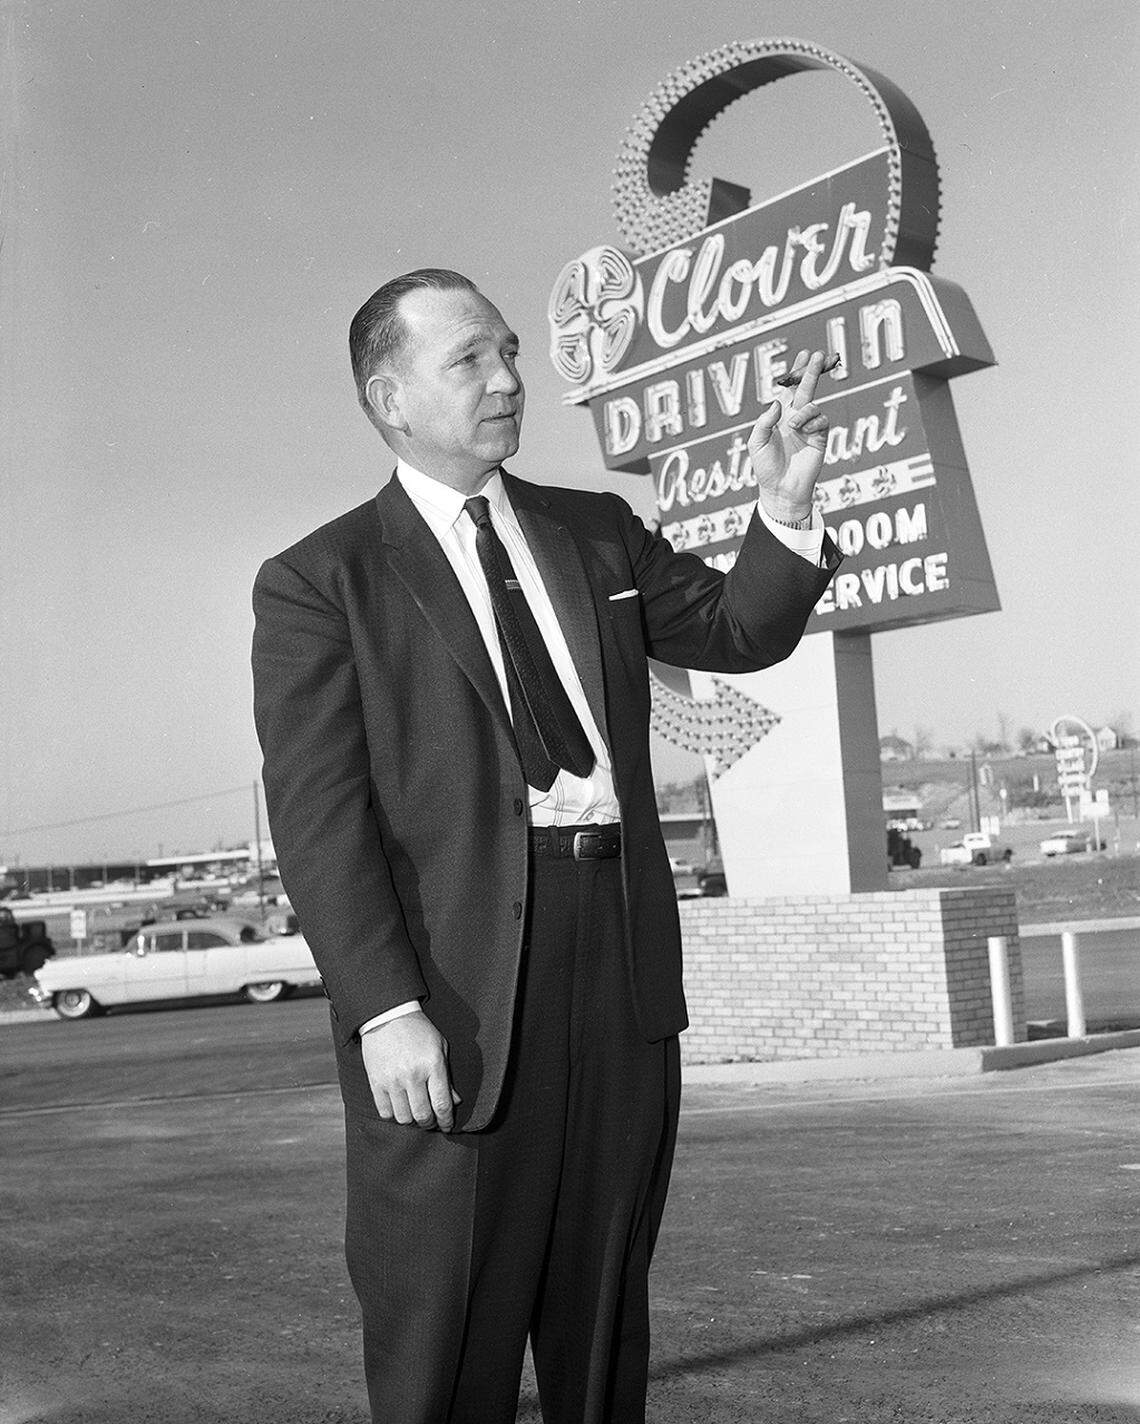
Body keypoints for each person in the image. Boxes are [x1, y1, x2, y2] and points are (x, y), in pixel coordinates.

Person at [251, 267, 840, 1424]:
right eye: (470, 358)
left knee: (602, 1319)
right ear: (391, 395)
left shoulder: (596, 531)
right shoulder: (325, 582)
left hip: (617, 973)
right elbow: (319, 817)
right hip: (454, 994)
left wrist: (784, 509)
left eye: (511, 351)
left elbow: (739, 630)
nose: (510, 378)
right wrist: (384, 1005)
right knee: (445, 1339)